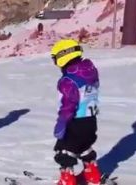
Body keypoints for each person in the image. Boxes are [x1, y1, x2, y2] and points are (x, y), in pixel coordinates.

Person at [50, 39, 101, 185]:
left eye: (55, 59)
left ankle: (67, 180)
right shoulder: (90, 72)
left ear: (62, 57)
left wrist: (61, 124)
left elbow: (68, 105)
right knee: (84, 146)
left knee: (64, 151)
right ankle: (93, 176)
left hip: (74, 121)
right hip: (91, 120)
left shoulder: (68, 80)